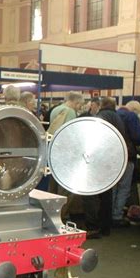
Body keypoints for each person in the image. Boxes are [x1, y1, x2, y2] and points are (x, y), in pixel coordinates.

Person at [48, 91, 84, 222]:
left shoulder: (55, 109)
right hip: (65, 155)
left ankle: (50, 215)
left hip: (53, 152)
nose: (80, 107)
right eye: (80, 104)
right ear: (76, 102)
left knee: (53, 187)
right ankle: (59, 218)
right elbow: (70, 134)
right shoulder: (69, 112)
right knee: (66, 189)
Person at [96, 97, 129, 235]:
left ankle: (101, 225)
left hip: (102, 157)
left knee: (99, 192)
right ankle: (107, 225)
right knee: (109, 192)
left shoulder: (101, 116)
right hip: (114, 156)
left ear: (102, 105)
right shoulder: (117, 117)